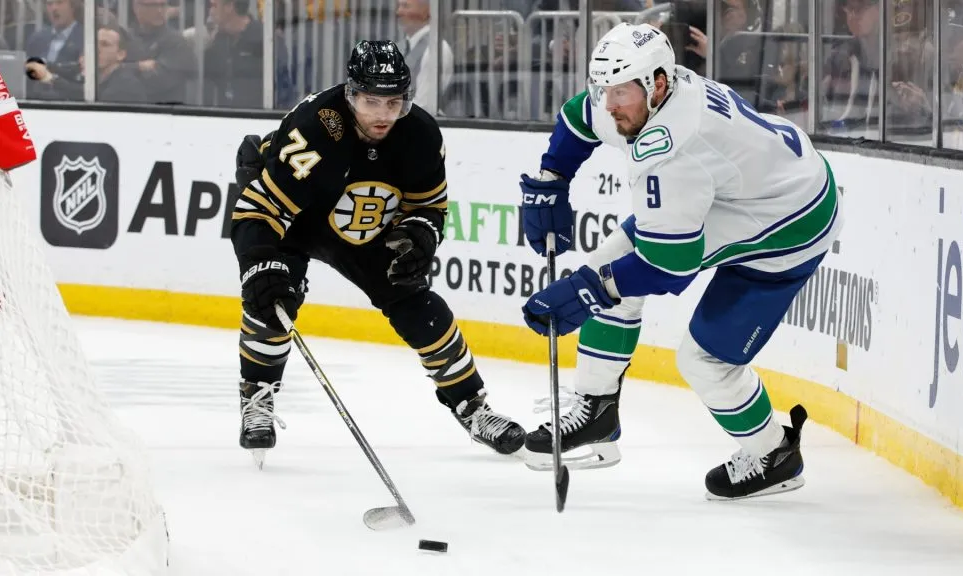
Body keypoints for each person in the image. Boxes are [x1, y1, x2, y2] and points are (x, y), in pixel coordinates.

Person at [518, 22, 843, 500]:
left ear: (657, 84)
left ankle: (775, 454)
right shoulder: (648, 93)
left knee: (703, 360)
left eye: (619, 92)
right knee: (611, 264)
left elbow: (668, 267)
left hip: (791, 220)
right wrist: (552, 178)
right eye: (604, 88)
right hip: (745, 187)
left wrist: (585, 291)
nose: (609, 103)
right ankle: (597, 409)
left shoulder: (674, 148)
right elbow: (579, 117)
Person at [230, 40, 526, 467]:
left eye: (394, 102)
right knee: (272, 297)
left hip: (363, 229)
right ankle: (257, 396)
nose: (384, 114)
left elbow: (429, 207)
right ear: (351, 94)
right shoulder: (316, 126)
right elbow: (258, 210)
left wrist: (420, 235)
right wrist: (259, 263)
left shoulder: (420, 134)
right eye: (371, 101)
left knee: (418, 306)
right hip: (297, 218)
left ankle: (473, 407)